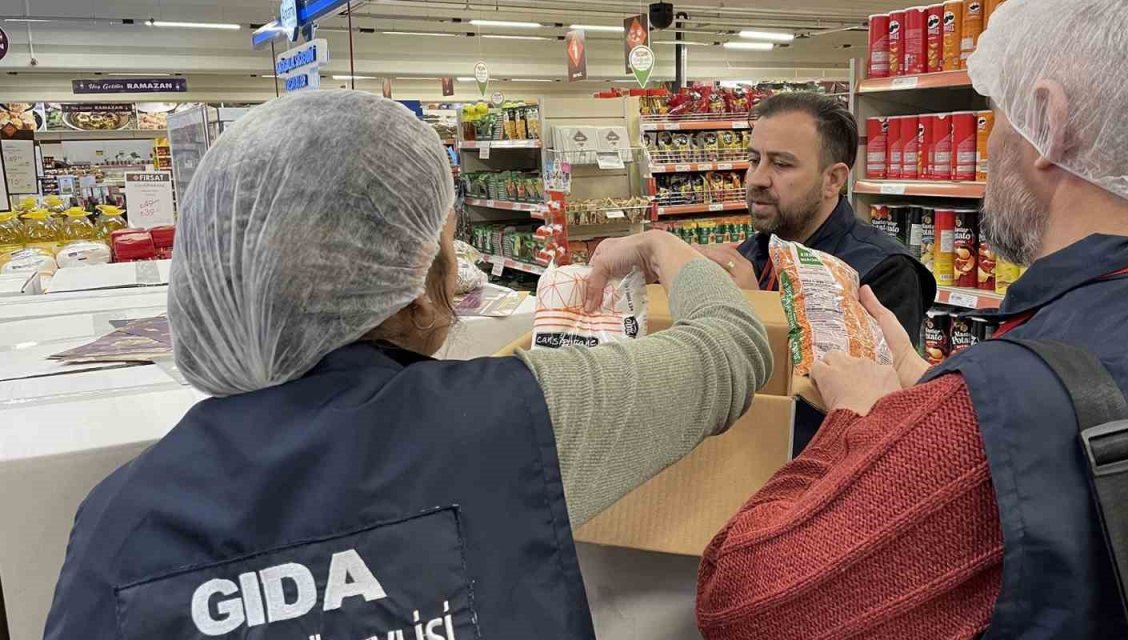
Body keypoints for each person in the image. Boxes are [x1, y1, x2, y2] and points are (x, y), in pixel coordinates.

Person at [42, 91, 772, 639]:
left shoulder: (118, 523)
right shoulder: (515, 419)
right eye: (446, 246)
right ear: (411, 279)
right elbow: (732, 348)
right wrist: (657, 249)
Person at [694, 0, 1128, 638]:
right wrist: (929, 391)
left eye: (997, 114)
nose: (991, 142)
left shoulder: (1001, 410)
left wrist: (861, 425)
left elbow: (741, 603)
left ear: (1050, 124)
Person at [698, 92, 935, 344]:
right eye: (754, 160)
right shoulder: (752, 254)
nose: (757, 178)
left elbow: (870, 381)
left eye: (781, 164)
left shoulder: (884, 272)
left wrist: (754, 309)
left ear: (832, 180)